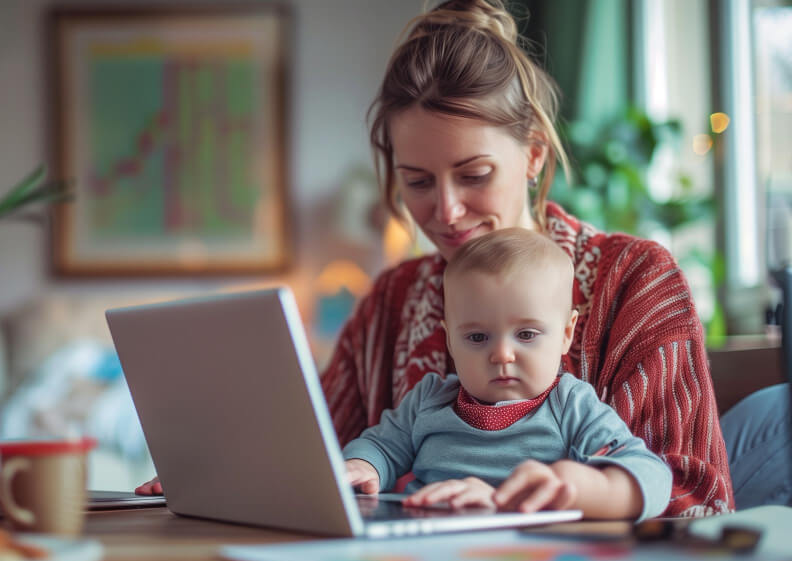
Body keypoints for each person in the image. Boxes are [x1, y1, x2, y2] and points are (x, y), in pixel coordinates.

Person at [140, 0, 785, 512]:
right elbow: (325, 462)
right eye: (418, 181)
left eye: (474, 175)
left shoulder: (634, 280)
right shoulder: (393, 299)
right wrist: (217, 480)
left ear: (533, 154)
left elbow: (691, 500)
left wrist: (549, 498)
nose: (443, 212)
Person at [343, 228, 671, 521]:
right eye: (476, 338)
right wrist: (363, 466)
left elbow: (652, 477)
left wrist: (576, 486)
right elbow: (381, 447)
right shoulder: (430, 399)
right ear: (450, 341)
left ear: (566, 334)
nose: (501, 354)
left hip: (526, 554)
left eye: (526, 335)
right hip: (425, 541)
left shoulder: (570, 406)